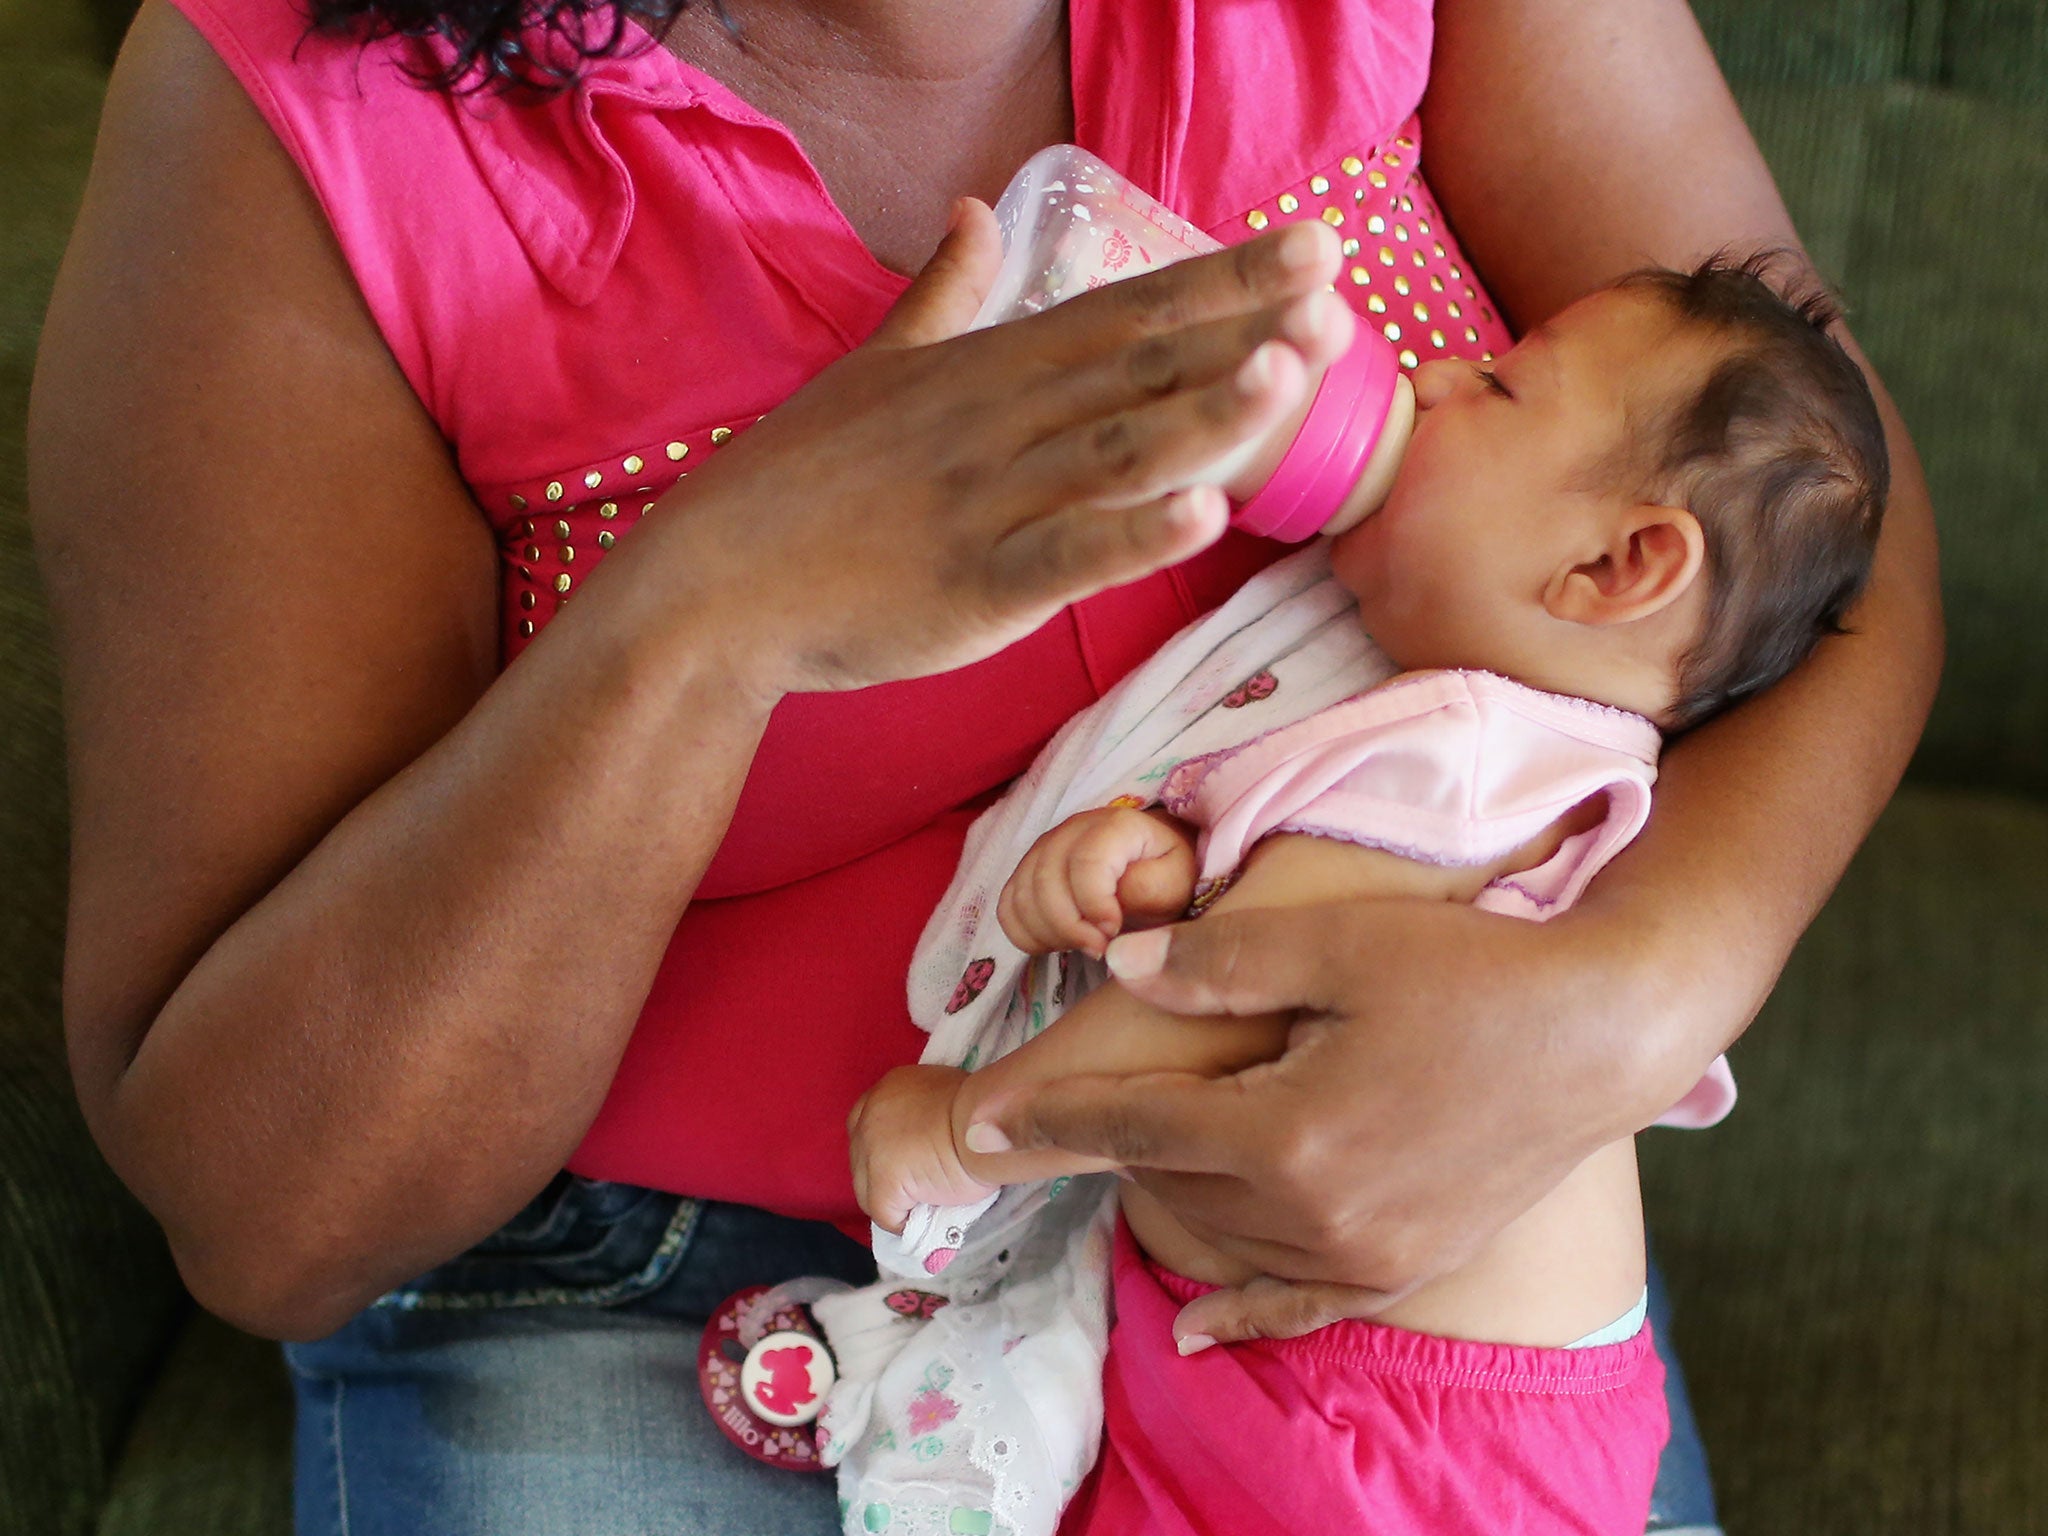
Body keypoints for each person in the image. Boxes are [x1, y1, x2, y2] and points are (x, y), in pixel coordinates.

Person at [24, 0, 1940, 1531]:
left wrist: (1628, 991)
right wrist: (704, 618)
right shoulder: (302, 120)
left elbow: (1823, 490)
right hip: (650, 1277)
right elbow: (267, 1207)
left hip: (1353, 1228)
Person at [839, 255, 1888, 1535]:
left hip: (1380, 1417)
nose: (1439, 373)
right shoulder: (1517, 758)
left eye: (1498, 387)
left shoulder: (1465, 757)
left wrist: (961, 1129)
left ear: (1617, 568)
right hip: (1385, 1393)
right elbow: (1293, 948)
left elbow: (1212, 1023)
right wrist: (1167, 879)